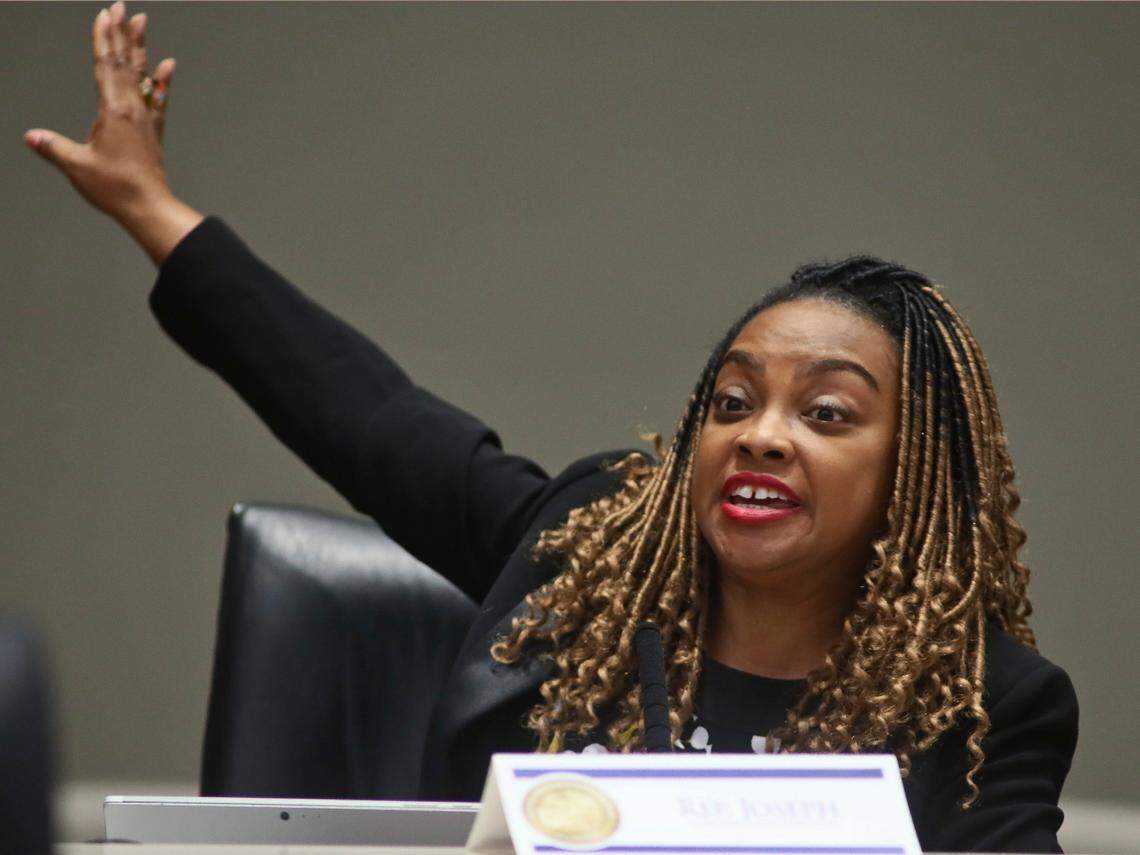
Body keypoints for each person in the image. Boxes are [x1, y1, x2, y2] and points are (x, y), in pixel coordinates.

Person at [26, 3, 1078, 851]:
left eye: (826, 413)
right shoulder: (594, 558)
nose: (759, 435)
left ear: (915, 476)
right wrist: (154, 213)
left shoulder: (987, 711)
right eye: (731, 400)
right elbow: (372, 421)